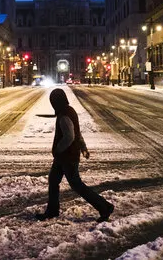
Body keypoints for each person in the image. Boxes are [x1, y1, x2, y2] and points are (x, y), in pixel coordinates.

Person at [35, 88, 114, 222]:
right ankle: (52, 210)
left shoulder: (64, 115)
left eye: (53, 101)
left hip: (67, 157)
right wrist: (83, 148)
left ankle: (104, 207)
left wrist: (59, 149)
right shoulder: (69, 111)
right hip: (63, 157)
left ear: (56, 102)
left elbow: (70, 136)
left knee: (77, 185)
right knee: (53, 181)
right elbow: (78, 133)